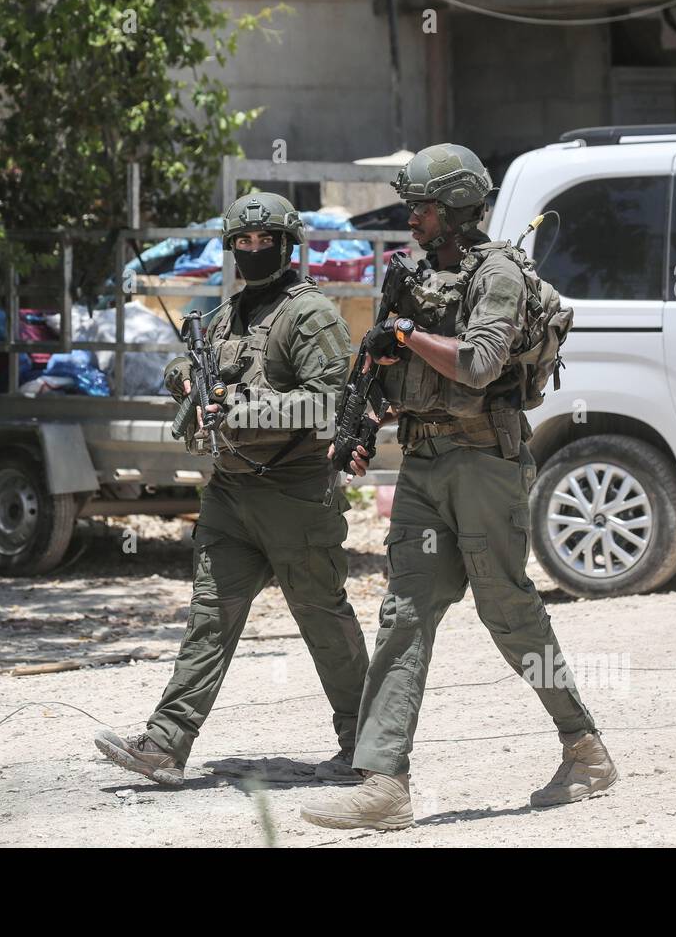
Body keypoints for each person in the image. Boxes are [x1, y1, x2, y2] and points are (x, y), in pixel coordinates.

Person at [300, 144, 618, 831]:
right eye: (413, 205)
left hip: (484, 464)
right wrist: (362, 425)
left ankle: (584, 748)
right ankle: (384, 782)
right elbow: (397, 380)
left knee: (509, 612)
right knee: (404, 614)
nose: (412, 217)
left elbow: (477, 364)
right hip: (422, 465)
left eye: (424, 206)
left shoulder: (497, 272)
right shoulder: (414, 278)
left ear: (459, 208)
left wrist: (408, 334)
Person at [94, 192, 370, 786]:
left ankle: (369, 744)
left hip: (294, 495)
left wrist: (248, 410)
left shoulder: (310, 314)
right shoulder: (224, 316)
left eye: (261, 241)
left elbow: (330, 403)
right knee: (209, 618)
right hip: (230, 495)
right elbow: (192, 374)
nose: (250, 251)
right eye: (241, 243)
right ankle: (165, 745)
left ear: (286, 244)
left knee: (322, 617)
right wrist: (185, 381)